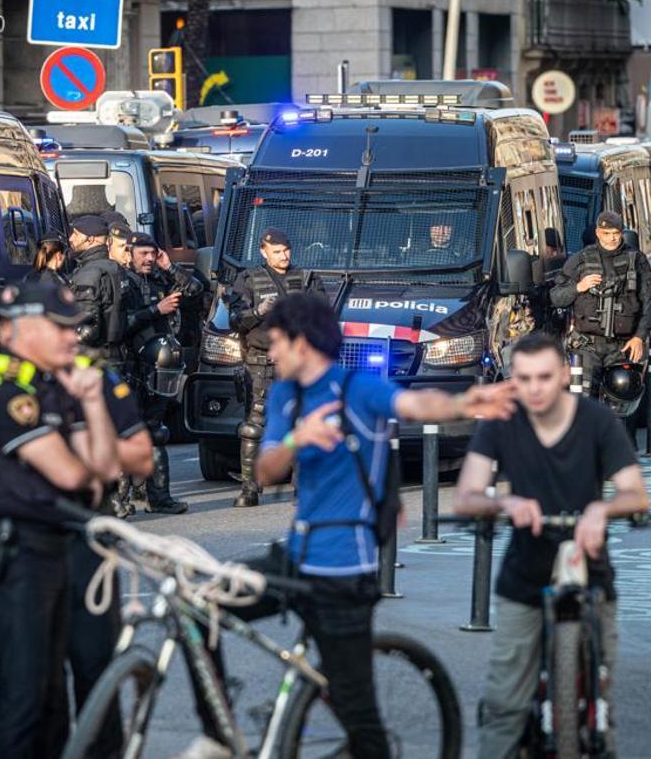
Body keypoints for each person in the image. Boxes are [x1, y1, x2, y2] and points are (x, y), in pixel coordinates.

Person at [186, 293, 516, 758]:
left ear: (303, 343)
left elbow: (416, 406)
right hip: (296, 559)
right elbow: (265, 471)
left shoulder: (357, 387)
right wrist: (300, 438)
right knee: (200, 609)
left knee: (357, 715)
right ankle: (219, 735)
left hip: (344, 573)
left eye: (277, 342)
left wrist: (473, 400)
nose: (271, 353)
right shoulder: (286, 393)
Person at [0, 281, 120, 759]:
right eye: (59, 328)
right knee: (26, 691)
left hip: (52, 550)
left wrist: (95, 403)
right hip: (15, 557)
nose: (71, 338)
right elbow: (75, 473)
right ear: (24, 330)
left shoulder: (55, 382)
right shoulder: (6, 388)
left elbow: (108, 469)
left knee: (51, 694)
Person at [451, 331, 650, 759]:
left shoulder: (597, 421)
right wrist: (504, 501)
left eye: (544, 376)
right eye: (524, 379)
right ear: (513, 380)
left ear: (563, 374)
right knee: (506, 701)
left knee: (599, 707)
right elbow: (465, 496)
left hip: (592, 575)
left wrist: (603, 511)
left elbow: (636, 493)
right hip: (524, 574)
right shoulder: (501, 425)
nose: (535, 388)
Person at [65, 357, 155, 758]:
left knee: (95, 668)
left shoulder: (94, 374)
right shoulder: (6, 378)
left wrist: (94, 413)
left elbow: (139, 456)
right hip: (32, 546)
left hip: (89, 538)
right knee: (32, 687)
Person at [226, 228, 324, 508]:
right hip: (261, 361)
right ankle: (249, 489)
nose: (283, 256)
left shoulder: (305, 279)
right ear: (263, 251)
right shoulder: (247, 280)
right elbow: (234, 319)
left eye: (286, 250)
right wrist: (258, 312)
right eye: (277, 251)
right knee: (254, 427)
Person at [119, 231, 202, 516]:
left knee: (156, 431)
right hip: (132, 366)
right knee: (127, 433)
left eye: (153, 254)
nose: (149, 259)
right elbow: (120, 324)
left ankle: (160, 497)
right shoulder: (122, 282)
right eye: (142, 253)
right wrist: (157, 309)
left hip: (160, 367)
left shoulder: (160, 277)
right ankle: (120, 498)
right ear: (129, 253)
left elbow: (194, 291)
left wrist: (170, 267)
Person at [549, 211, 651, 411]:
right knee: (583, 406)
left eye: (615, 233)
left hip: (622, 346)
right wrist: (578, 287)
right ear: (598, 233)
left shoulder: (636, 260)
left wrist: (639, 337)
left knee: (623, 402)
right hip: (587, 346)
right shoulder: (581, 260)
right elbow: (555, 297)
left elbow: (648, 304)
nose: (612, 238)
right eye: (606, 233)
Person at [69, 215, 126, 368]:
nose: (70, 238)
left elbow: (87, 328)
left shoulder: (89, 273)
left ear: (90, 239)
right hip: (121, 356)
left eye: (76, 234)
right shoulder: (117, 268)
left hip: (96, 360)